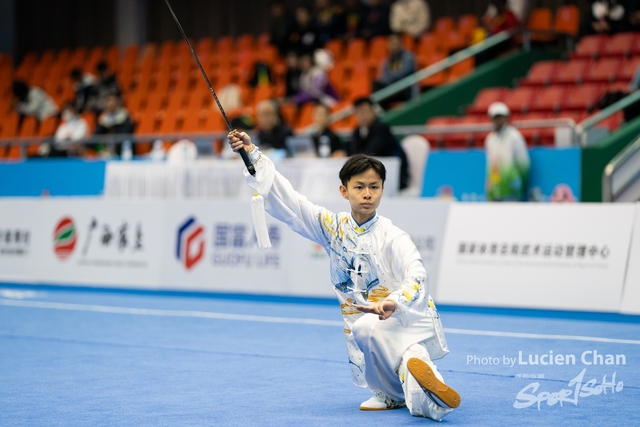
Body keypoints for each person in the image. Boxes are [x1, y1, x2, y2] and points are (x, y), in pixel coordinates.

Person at [227, 132, 460, 421]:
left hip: (405, 316)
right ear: (343, 191)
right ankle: (422, 383)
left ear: (383, 190)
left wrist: (394, 302)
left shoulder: (393, 235)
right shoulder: (333, 227)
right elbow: (291, 204)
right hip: (375, 323)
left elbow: (417, 273)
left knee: (366, 330)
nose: (367, 194)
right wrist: (252, 155)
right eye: (359, 186)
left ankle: (396, 396)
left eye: (374, 187)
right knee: (400, 350)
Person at [349, 97, 409, 189]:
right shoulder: (357, 131)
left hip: (392, 175)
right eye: (359, 112)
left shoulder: (382, 128)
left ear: (373, 111)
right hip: (371, 175)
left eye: (365, 111)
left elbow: (371, 152)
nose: (362, 115)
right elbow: (351, 149)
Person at [484, 102, 530, 202]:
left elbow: (524, 163)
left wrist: (516, 180)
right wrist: (488, 184)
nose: (498, 121)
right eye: (495, 117)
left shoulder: (514, 136)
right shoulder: (490, 139)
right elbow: (489, 165)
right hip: (494, 190)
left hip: (511, 190)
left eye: (500, 117)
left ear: (507, 118)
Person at [372, 33, 417, 109]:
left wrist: (391, 75)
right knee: (376, 84)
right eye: (391, 43)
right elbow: (383, 78)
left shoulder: (408, 56)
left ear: (401, 44)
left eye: (396, 43)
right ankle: (380, 111)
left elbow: (404, 73)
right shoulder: (386, 61)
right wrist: (393, 76)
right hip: (391, 89)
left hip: (404, 88)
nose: (394, 46)